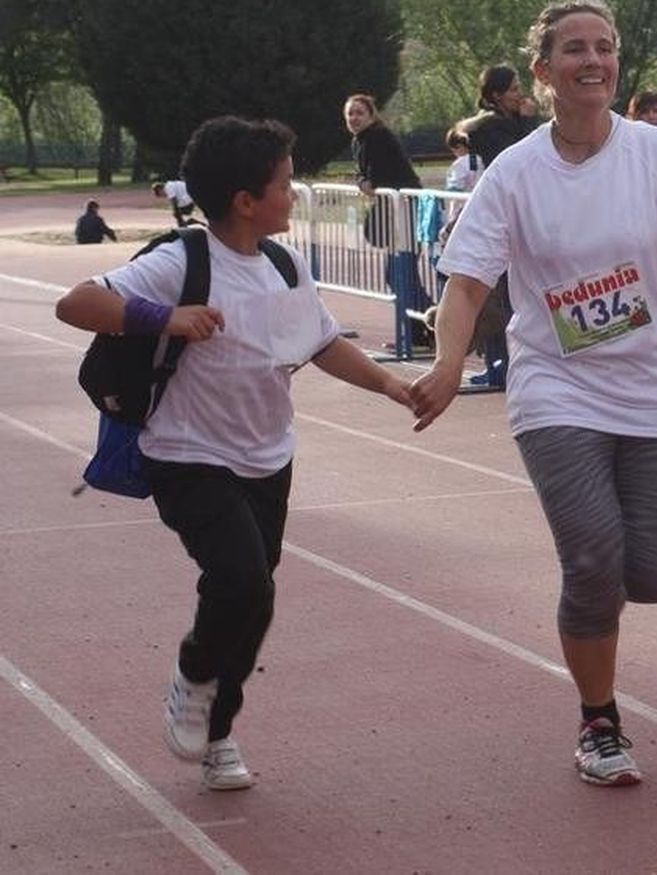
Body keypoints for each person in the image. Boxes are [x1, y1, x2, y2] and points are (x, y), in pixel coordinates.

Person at [408, 0, 657, 787]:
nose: (593, 60)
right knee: (591, 558)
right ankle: (599, 720)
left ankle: (600, 617)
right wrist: (447, 365)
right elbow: (467, 284)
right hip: (558, 388)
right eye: (574, 49)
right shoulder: (513, 174)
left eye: (605, 47)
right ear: (543, 72)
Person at [54, 116, 412, 791]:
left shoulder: (284, 264)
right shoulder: (181, 261)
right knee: (240, 578)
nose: (294, 194)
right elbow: (77, 304)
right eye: (285, 183)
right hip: (186, 454)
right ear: (247, 201)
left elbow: (322, 342)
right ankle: (193, 674)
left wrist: (393, 385)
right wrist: (167, 317)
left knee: (257, 598)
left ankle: (218, 731)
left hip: (267, 457)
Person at [344, 93, 430, 349]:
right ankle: (419, 333)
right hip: (391, 212)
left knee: (401, 273)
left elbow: (378, 179)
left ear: (372, 114)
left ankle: (432, 327)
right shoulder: (359, 141)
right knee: (400, 275)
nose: (354, 118)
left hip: (404, 209)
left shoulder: (379, 137)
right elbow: (363, 177)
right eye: (350, 113)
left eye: (360, 112)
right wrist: (363, 182)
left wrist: (368, 183)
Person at [459, 65, 536, 168]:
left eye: (519, 88)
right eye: (514, 90)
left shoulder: (516, 119)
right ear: (497, 95)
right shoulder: (488, 127)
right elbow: (520, 159)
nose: (520, 94)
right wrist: (527, 120)